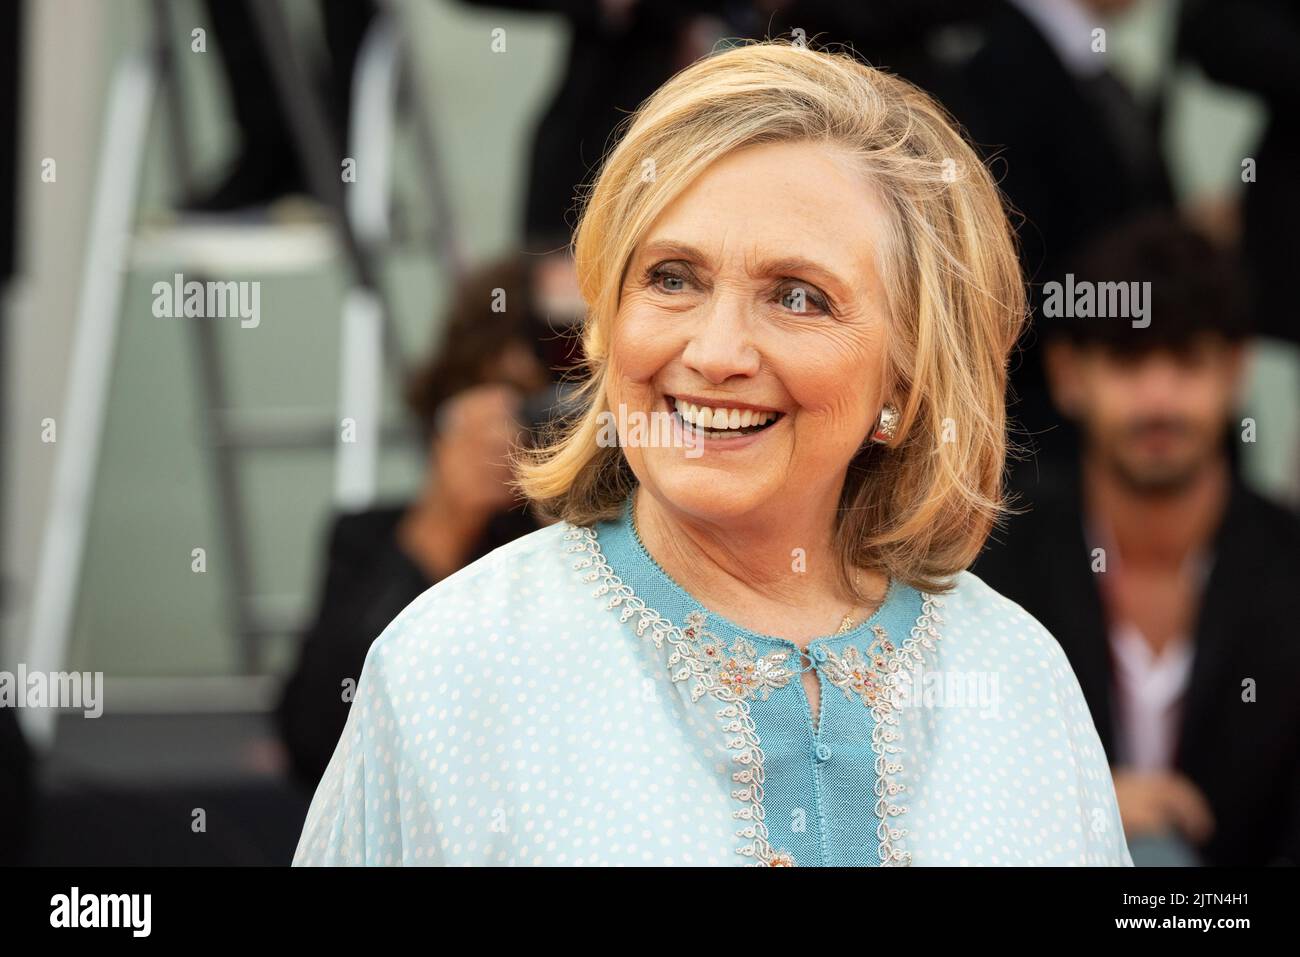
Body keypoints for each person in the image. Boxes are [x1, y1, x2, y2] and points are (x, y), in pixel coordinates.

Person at [293, 41, 1130, 866]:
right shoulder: (453, 664)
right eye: (672, 278)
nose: (716, 349)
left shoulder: (1018, 675)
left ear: (909, 379)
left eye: (798, 297)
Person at [972, 213, 1300, 866]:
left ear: (1234, 371)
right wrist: (1083, 803)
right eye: (1128, 361)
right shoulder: (987, 562)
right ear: (1069, 375)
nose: (1158, 399)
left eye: (1186, 362)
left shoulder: (1287, 564)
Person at [276, 255, 561, 790]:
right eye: (528, 404)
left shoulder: (669, 543)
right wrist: (445, 522)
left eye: (575, 400)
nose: (556, 427)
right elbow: (318, 745)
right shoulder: (375, 541)